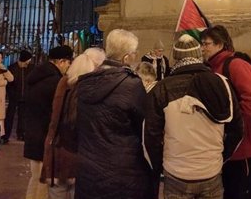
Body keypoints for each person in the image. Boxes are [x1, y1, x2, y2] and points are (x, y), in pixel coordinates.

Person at [143, 34, 243, 199]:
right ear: (199, 55)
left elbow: (150, 136)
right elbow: (237, 129)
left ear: (175, 58)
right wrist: (220, 157)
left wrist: (161, 166)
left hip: (176, 172)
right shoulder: (221, 83)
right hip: (211, 170)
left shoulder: (162, 89)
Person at [75, 29, 155, 199]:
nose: (136, 56)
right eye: (134, 52)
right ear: (126, 58)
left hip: (88, 168)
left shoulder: (85, 82)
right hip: (123, 171)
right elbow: (144, 127)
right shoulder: (132, 85)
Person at [201, 25, 251, 199]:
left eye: (206, 44)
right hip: (230, 151)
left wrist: (229, 123)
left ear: (220, 44)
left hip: (246, 151)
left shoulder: (236, 65)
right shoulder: (213, 68)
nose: (202, 48)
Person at [41, 48, 106, 199]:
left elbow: (55, 118)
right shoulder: (94, 88)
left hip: (59, 151)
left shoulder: (64, 82)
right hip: (80, 156)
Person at [24, 45, 74, 199]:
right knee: (43, 182)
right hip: (45, 137)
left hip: (33, 135)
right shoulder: (55, 82)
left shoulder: (38, 77)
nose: (69, 66)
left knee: (36, 179)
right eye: (68, 63)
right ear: (61, 61)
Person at [5, 50, 35, 142]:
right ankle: (6, 135)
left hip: (25, 95)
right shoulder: (13, 67)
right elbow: (9, 83)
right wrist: (10, 93)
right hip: (14, 95)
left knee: (23, 116)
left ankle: (21, 134)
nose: (29, 61)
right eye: (29, 59)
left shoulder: (31, 68)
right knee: (10, 115)